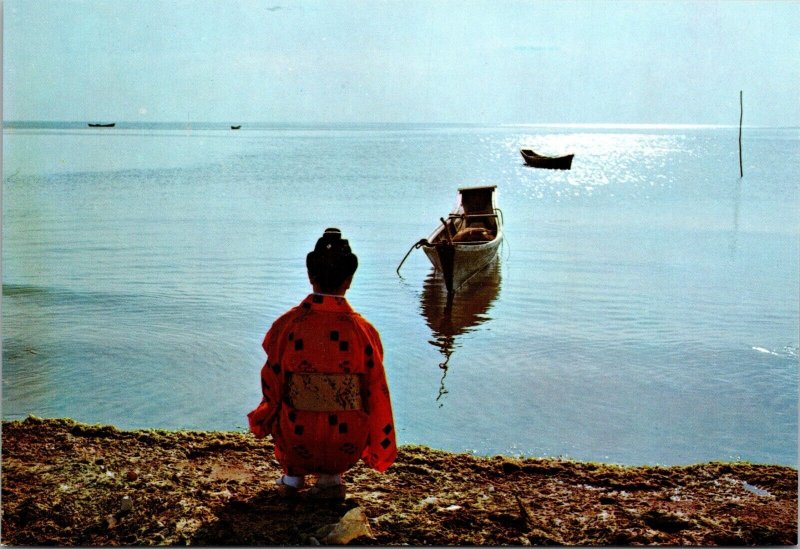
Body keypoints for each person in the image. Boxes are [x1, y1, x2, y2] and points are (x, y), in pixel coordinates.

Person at [247, 228, 396, 500]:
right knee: (352, 410)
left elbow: (272, 382)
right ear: (349, 280)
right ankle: (331, 478)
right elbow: (376, 391)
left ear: (310, 276)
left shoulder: (287, 326)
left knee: (283, 405)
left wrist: (265, 417)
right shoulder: (363, 331)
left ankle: (292, 478)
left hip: (296, 438)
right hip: (346, 442)